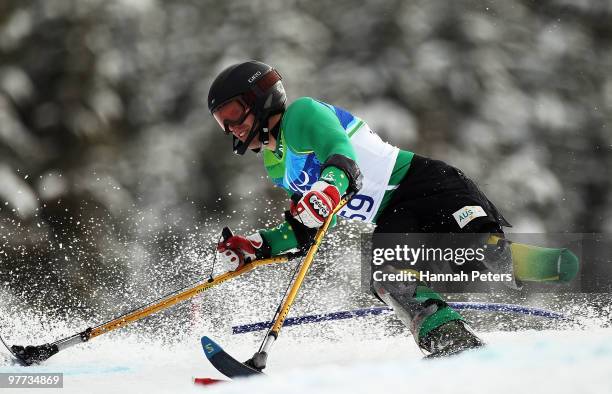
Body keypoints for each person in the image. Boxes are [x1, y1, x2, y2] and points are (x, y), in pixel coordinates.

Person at [207, 60, 579, 358]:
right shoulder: (276, 164)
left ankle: (564, 266)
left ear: (260, 97)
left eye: (233, 113)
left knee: (482, 254)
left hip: (429, 185)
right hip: (395, 214)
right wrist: (257, 245)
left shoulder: (302, 116)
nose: (231, 129)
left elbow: (343, 161)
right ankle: (450, 343)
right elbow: (304, 231)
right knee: (388, 278)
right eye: (222, 123)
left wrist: (324, 193)